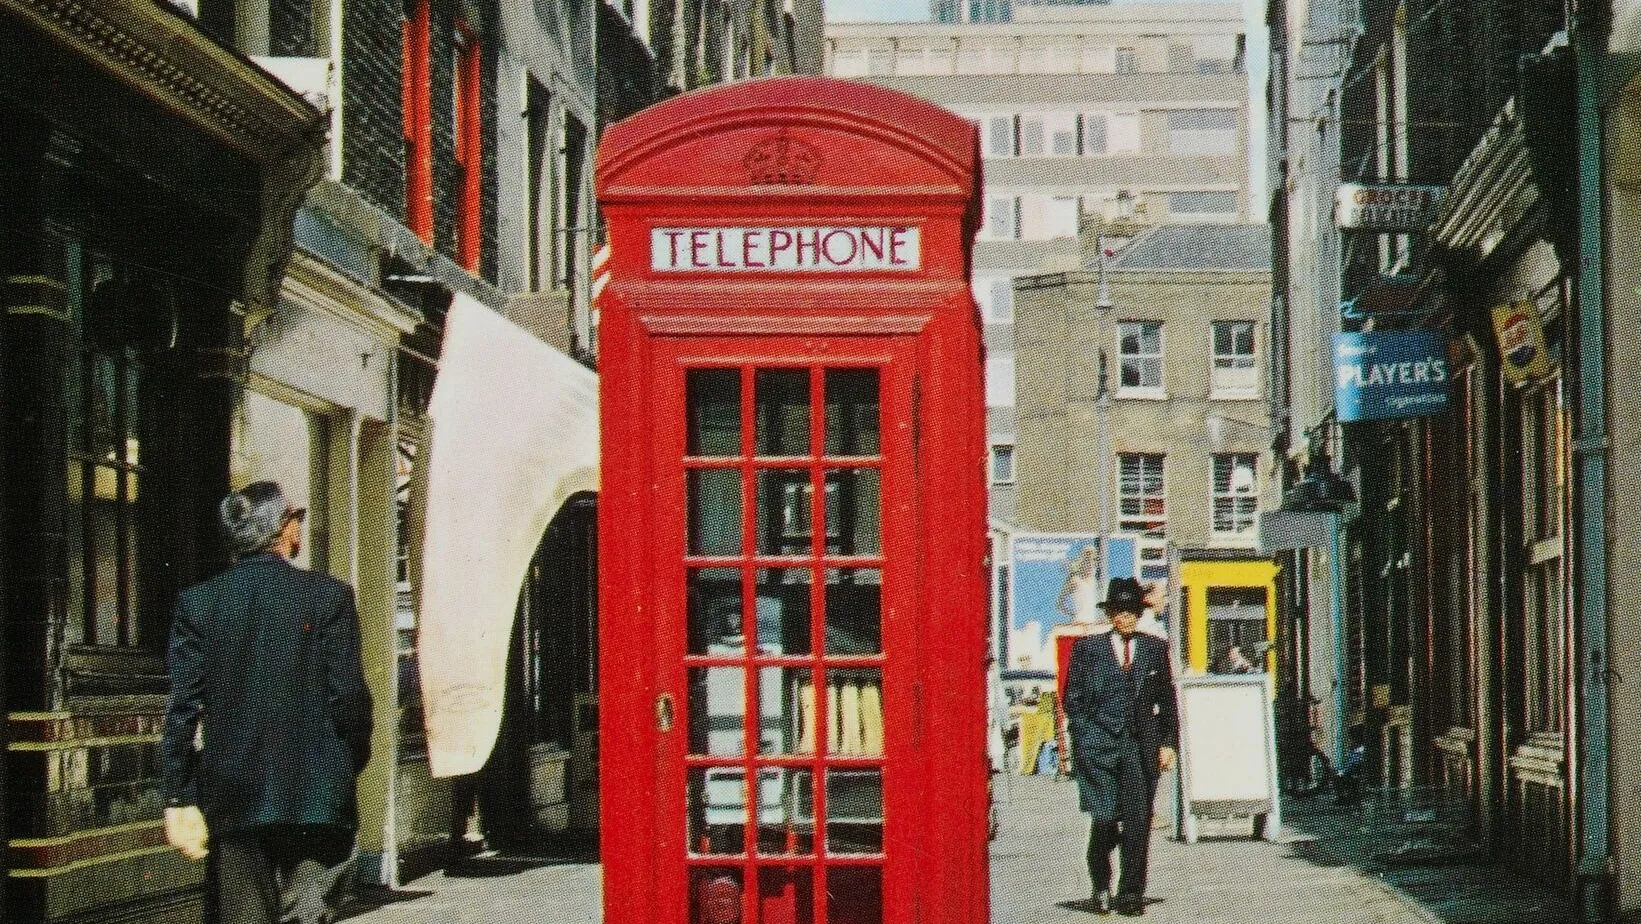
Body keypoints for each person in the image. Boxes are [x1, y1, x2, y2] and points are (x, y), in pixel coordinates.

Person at [161, 481, 374, 924]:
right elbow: (349, 696)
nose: (299, 529)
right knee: (308, 913)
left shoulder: (199, 604)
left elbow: (183, 708)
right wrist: (346, 762)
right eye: (297, 519)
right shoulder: (329, 596)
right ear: (284, 528)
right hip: (317, 795)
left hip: (236, 795)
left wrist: (179, 796)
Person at [1063, 577, 1179, 917]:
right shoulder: (1088, 649)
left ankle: (1130, 895)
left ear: (1139, 614)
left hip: (1139, 747)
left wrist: (1168, 742)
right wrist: (1084, 736)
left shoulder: (1154, 648)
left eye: (1129, 612)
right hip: (1099, 746)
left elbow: (1168, 700)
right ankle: (1101, 881)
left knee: (1138, 820)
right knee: (1104, 819)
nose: (1123, 618)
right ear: (1110, 613)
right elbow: (1073, 699)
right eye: (1117, 611)